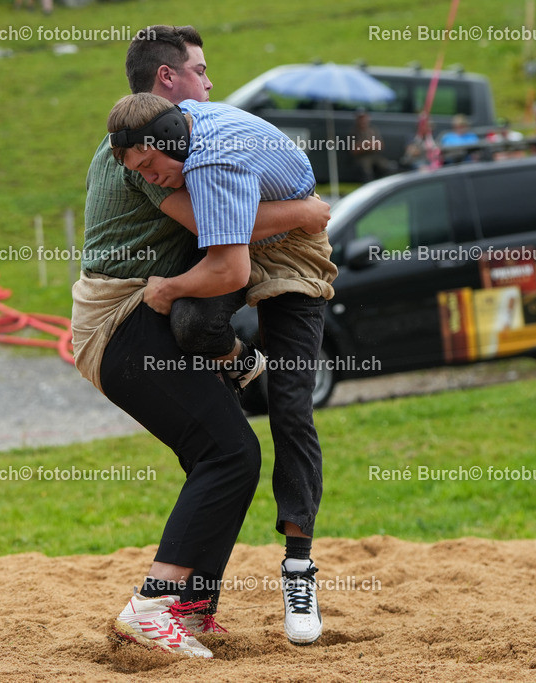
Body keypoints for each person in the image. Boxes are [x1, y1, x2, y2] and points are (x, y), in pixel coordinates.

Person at [71, 25, 330, 659]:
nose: (209, 84)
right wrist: (306, 212)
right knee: (231, 455)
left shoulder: (159, 137)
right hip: (123, 324)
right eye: (201, 71)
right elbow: (227, 237)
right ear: (168, 79)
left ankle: (189, 607)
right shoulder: (145, 155)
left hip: (133, 322)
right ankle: (154, 603)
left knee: (224, 457)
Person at [351, 109, 394, 182]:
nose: (363, 120)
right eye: (360, 118)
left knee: (388, 167)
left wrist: (366, 145)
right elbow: (354, 150)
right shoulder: (354, 132)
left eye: (364, 118)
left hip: (375, 155)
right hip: (362, 157)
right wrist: (368, 145)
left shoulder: (373, 130)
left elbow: (380, 145)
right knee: (366, 170)